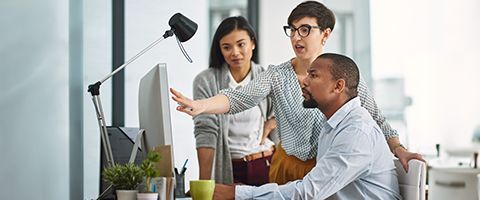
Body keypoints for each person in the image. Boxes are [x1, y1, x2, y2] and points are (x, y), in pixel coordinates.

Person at [171, 1, 423, 185]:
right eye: (292, 30)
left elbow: (375, 117)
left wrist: (398, 148)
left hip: (325, 169)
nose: (296, 37)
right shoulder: (276, 74)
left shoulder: (343, 75)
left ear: (325, 34)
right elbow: (239, 98)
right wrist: (202, 106)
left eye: (305, 29)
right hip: (285, 166)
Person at [213, 53, 402, 200]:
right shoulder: (334, 125)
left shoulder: (356, 133)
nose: (303, 81)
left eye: (313, 75)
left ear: (338, 86)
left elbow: (308, 193)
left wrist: (237, 194)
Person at [191, 16, 277, 186]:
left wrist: (273, 122)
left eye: (241, 44)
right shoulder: (206, 80)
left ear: (253, 43)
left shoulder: (267, 76)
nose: (235, 52)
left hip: (265, 163)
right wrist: (204, 184)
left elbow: (289, 112)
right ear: (219, 49)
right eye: (227, 47)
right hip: (229, 168)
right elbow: (206, 131)